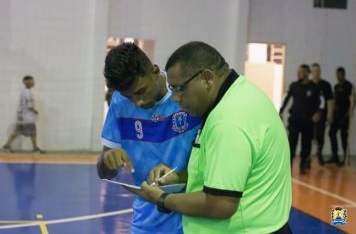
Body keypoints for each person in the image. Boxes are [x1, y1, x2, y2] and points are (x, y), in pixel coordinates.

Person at [134, 41, 292, 233]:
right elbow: (223, 174)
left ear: (207, 78)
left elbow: (220, 204)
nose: (175, 98)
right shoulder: (239, 94)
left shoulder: (228, 121)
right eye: (172, 89)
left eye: (179, 88)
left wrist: (161, 198)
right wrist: (178, 177)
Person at [96, 42, 200, 234]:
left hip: (194, 222)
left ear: (154, 71)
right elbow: (104, 172)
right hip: (146, 224)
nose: (138, 102)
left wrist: (180, 177)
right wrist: (107, 160)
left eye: (141, 92)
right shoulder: (119, 102)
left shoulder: (187, 96)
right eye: (130, 97)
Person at [280, 64, 321, 174]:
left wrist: (318, 112)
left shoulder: (314, 87)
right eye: (298, 72)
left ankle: (303, 165)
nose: (299, 74)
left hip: (308, 121)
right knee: (291, 144)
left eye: (302, 72)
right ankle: (288, 167)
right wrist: (280, 111)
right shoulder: (294, 85)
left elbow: (320, 103)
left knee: (306, 145)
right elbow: (286, 98)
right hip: (295, 120)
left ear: (308, 73)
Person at [3, 76, 44, 153]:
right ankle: (35, 149)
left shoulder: (24, 92)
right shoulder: (28, 93)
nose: (33, 83)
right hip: (27, 117)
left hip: (22, 116)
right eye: (32, 81)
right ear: (28, 83)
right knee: (33, 132)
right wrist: (35, 111)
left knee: (17, 131)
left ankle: (6, 145)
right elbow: (29, 106)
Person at [328, 67, 355, 166]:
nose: (338, 76)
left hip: (344, 115)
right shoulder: (335, 86)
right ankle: (334, 156)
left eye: (340, 74)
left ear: (343, 74)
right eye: (337, 74)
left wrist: (348, 114)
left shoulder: (349, 86)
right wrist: (331, 114)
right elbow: (334, 101)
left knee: (344, 137)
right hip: (336, 115)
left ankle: (345, 158)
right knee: (331, 134)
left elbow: (352, 101)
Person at [311, 63, 334, 165]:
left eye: (318, 71)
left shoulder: (326, 85)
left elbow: (330, 101)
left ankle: (319, 154)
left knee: (320, 136)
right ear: (311, 73)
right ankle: (307, 158)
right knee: (309, 137)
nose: (316, 73)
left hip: (322, 115)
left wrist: (330, 114)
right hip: (309, 117)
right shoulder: (308, 85)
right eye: (314, 71)